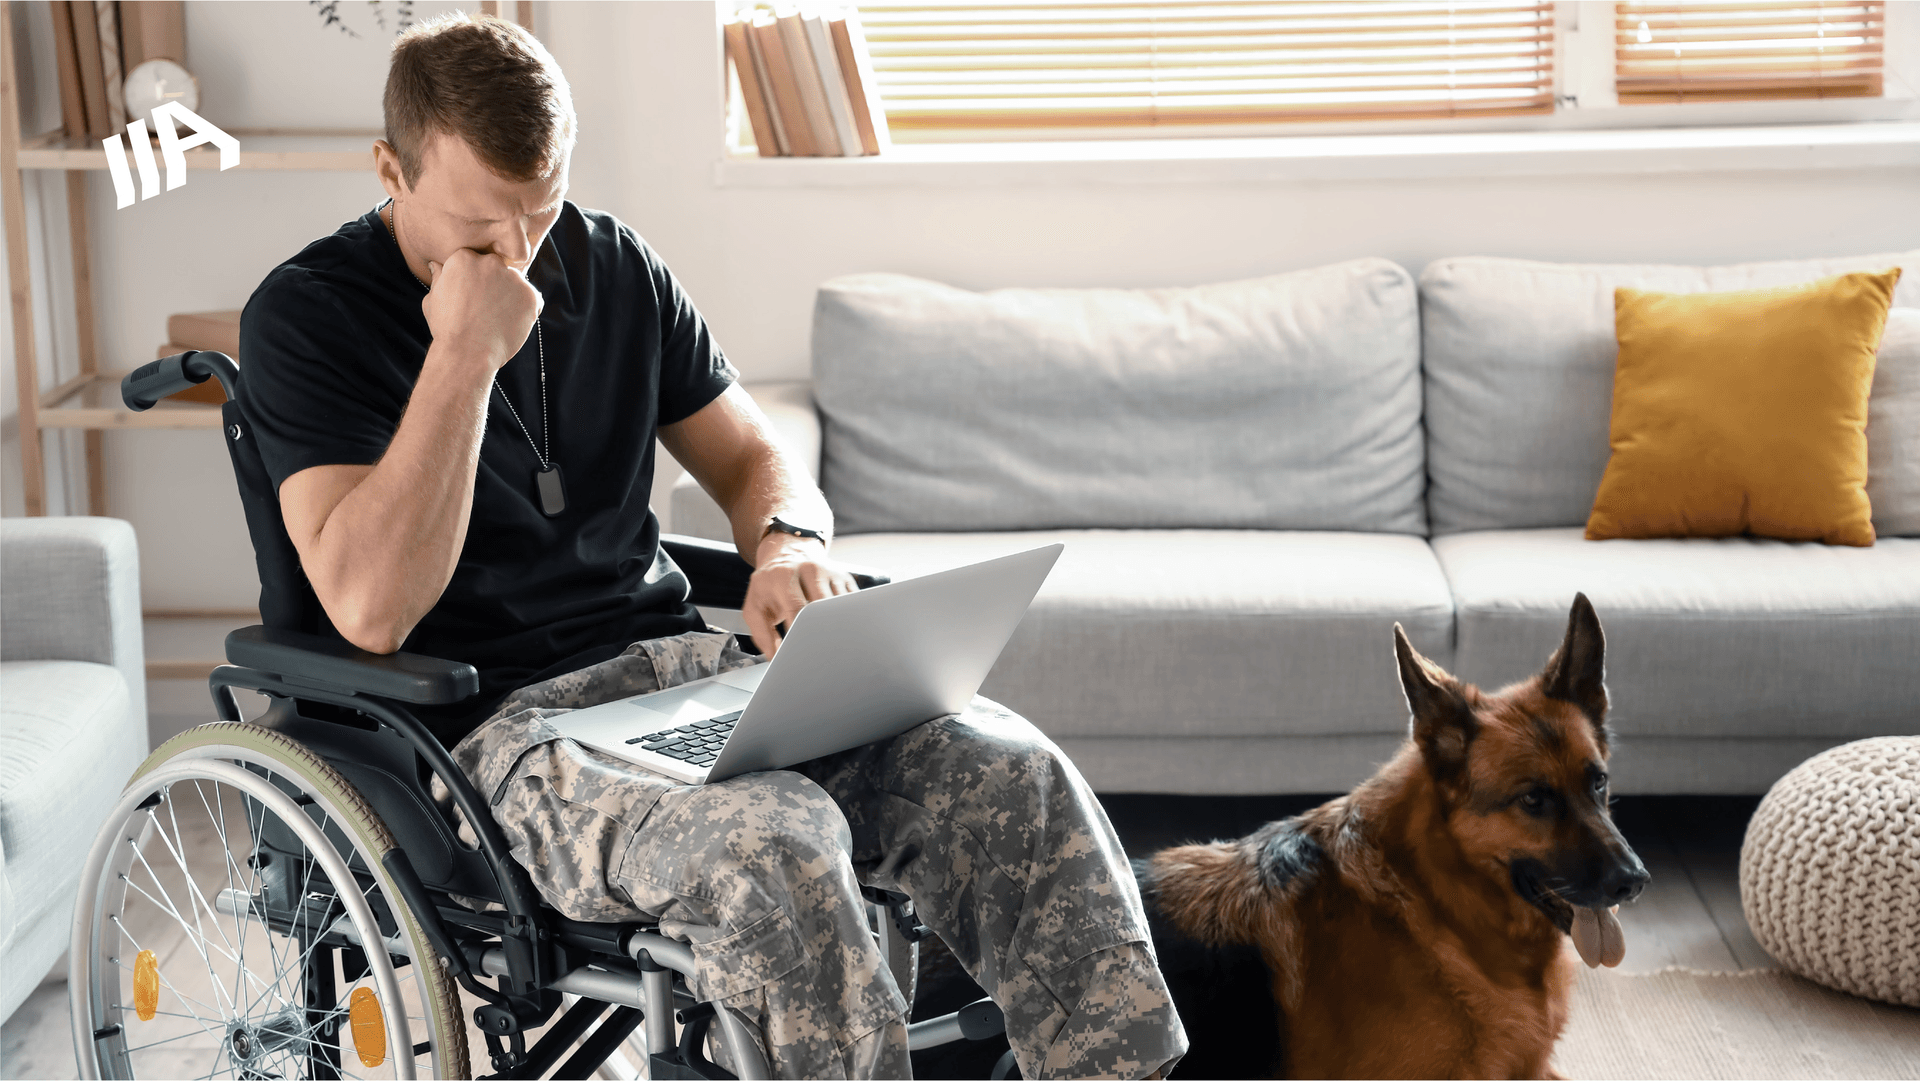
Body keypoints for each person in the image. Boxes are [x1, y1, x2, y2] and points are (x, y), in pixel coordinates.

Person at [238, 13, 1185, 1079]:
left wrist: (784, 543)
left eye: (538, 218)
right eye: (477, 231)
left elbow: (749, 458)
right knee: (775, 846)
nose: (519, 258)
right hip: (493, 736)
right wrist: (463, 353)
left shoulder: (616, 265)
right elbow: (370, 608)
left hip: (681, 678)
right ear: (388, 169)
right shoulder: (305, 317)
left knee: (1009, 769)